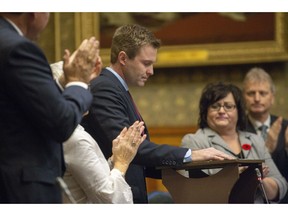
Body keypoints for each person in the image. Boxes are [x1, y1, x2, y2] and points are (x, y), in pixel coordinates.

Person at [81, 24, 234, 203]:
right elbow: (130, 149)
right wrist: (190, 154)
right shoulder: (104, 88)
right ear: (123, 58)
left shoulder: (117, 89)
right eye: (146, 63)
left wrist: (203, 169)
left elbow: (141, 158)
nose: (151, 71)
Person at [0, 13, 99, 203]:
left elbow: (19, 103)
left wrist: (64, 83)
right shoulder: (18, 48)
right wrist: (78, 83)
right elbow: (61, 123)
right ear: (34, 12)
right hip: (19, 190)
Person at [51, 61, 146, 204]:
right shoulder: (75, 138)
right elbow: (110, 199)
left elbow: (93, 180)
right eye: (83, 88)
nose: (89, 93)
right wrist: (121, 162)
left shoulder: (70, 131)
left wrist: (115, 159)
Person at [181, 82, 287, 203]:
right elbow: (193, 189)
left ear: (239, 111)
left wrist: (258, 179)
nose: (221, 110)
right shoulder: (194, 141)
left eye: (228, 106)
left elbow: (281, 185)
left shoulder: (255, 140)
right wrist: (238, 175)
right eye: (215, 106)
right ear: (205, 112)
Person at [242, 67, 288, 203]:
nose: (257, 98)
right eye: (251, 93)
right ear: (243, 97)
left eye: (262, 93)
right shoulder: (234, 129)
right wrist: (266, 149)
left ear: (272, 97)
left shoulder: (285, 127)